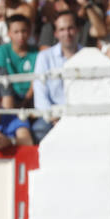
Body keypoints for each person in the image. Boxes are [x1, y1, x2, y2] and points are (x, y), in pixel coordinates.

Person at [28, 11, 80, 140]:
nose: (67, 33)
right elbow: (39, 92)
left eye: (70, 28)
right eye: (62, 29)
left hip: (80, 115)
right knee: (39, 130)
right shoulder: (44, 57)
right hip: (52, 117)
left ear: (77, 30)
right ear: (56, 34)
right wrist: (53, 118)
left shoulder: (88, 54)